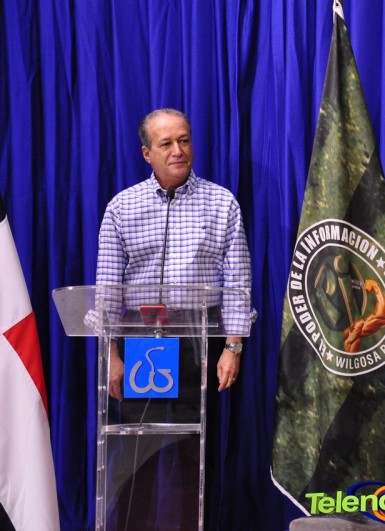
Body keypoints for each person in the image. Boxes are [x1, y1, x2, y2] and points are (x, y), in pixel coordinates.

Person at [95, 108, 255, 529]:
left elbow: (237, 281)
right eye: (166, 143)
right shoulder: (122, 207)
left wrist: (233, 346)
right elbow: (108, 288)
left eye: (184, 140)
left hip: (198, 343)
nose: (178, 150)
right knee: (136, 457)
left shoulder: (221, 203)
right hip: (140, 342)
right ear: (147, 153)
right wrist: (111, 355)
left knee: (192, 455)